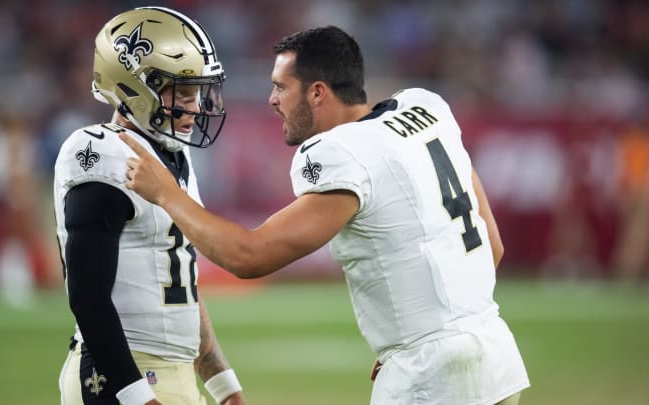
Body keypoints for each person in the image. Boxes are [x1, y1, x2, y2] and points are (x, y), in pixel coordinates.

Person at [121, 25, 529, 405]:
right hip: (497, 361)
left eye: (281, 87)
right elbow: (491, 246)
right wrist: (425, 333)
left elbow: (250, 255)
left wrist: (166, 192)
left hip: (434, 378)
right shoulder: (426, 109)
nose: (272, 99)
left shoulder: (341, 152)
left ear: (317, 92)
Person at [53, 7, 245, 405]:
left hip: (171, 372)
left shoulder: (172, 155)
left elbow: (180, 281)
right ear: (135, 87)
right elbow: (87, 297)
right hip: (119, 377)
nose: (195, 106)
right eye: (183, 91)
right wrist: (137, 395)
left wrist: (223, 383)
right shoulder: (100, 153)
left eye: (199, 92)